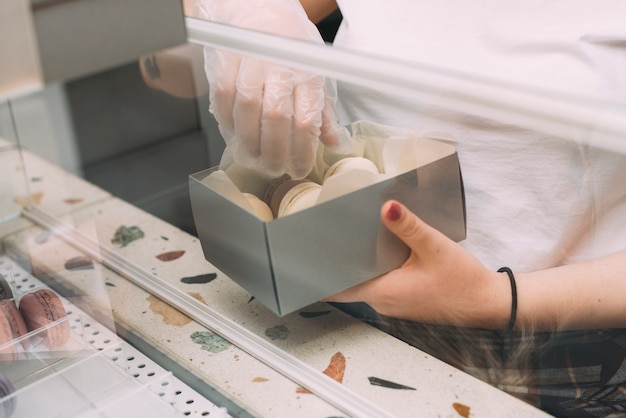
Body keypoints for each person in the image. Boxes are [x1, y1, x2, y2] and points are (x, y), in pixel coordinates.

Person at [198, 0, 626, 415]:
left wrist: (493, 299)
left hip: (555, 346)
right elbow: (178, 40)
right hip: (346, 311)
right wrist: (244, 9)